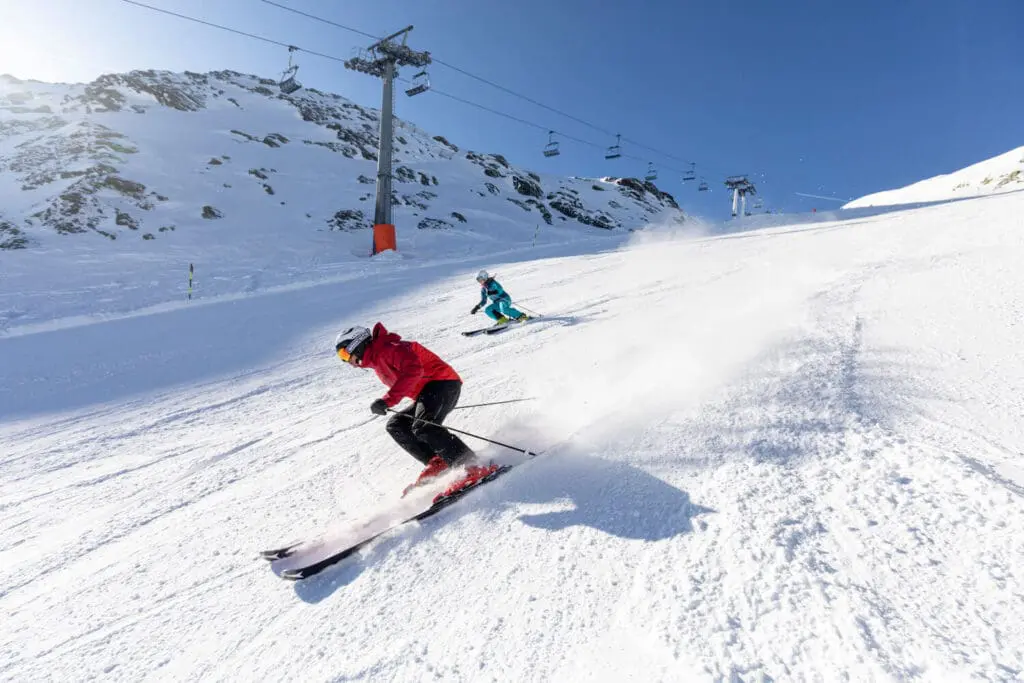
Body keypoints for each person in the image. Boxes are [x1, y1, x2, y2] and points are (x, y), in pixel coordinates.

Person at [334, 323, 491, 494]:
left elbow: (414, 371)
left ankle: (472, 466)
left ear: (357, 343)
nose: (346, 360)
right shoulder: (378, 359)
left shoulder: (390, 348)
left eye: (344, 353)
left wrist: (387, 400)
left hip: (443, 383)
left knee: (424, 427)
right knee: (397, 424)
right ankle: (438, 461)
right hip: (428, 392)